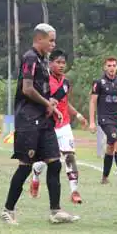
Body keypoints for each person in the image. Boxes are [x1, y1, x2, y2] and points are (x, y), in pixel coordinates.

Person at [0, 23, 78, 225]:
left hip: (43, 120)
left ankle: (56, 210)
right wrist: (47, 103)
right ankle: (8, 210)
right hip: (28, 120)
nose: (54, 44)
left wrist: (50, 102)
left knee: (54, 163)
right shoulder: (30, 58)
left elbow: (40, 89)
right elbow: (27, 89)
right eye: (51, 40)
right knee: (25, 166)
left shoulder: (43, 60)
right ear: (39, 39)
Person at [29, 50, 87, 204]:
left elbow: (64, 103)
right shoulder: (44, 81)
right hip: (48, 126)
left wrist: (78, 115)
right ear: (50, 63)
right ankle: (35, 178)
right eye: (58, 62)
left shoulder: (65, 82)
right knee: (44, 161)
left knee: (70, 156)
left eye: (63, 63)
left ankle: (74, 191)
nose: (61, 66)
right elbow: (43, 102)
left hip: (64, 125)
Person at [89, 56, 117, 186]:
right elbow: (92, 102)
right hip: (105, 119)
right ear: (104, 67)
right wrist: (92, 122)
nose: (111, 68)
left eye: (114, 65)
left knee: (110, 147)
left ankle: (104, 177)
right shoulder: (99, 83)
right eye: (109, 65)